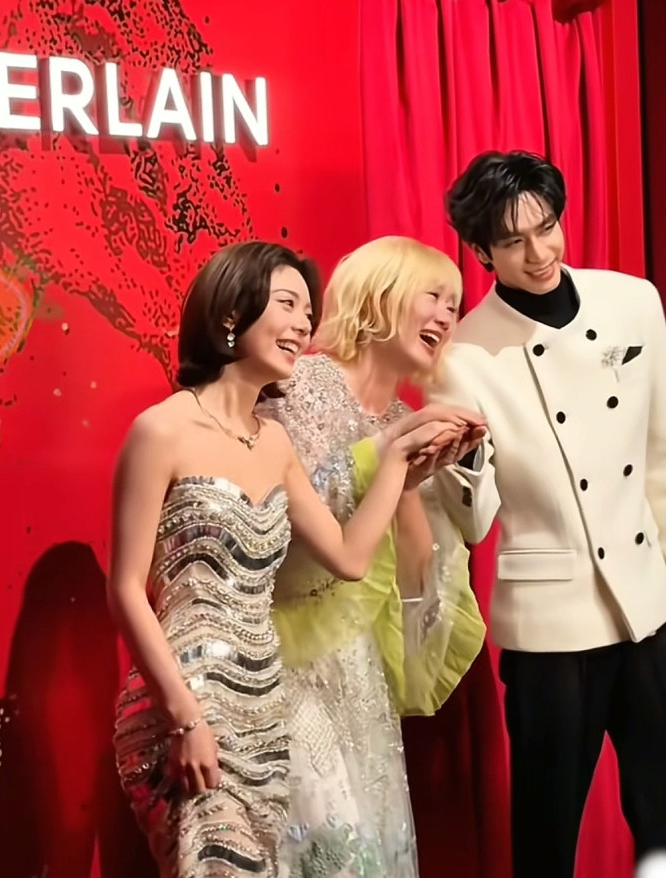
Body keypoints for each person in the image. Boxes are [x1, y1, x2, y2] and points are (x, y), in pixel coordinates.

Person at [108, 240, 477, 878]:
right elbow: (125, 590)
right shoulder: (161, 430)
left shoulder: (273, 441)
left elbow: (349, 557)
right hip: (186, 699)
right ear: (232, 314)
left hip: (265, 704)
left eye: (308, 311)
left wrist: (398, 461)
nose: (304, 325)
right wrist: (186, 716)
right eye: (287, 304)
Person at [431, 149, 666, 878]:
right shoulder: (463, 356)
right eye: (513, 242)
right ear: (481, 252)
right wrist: (463, 460)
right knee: (547, 834)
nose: (538, 253)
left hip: (644, 603)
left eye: (546, 228)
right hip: (550, 626)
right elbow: (473, 522)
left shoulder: (632, 302)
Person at [260, 236, 489, 878]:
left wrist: (428, 479)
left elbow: (417, 577)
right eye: (434, 296)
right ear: (380, 295)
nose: (447, 316)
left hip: (360, 671)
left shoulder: (403, 417)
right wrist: (386, 463)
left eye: (455, 304)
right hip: (285, 664)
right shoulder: (296, 382)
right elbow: (279, 519)